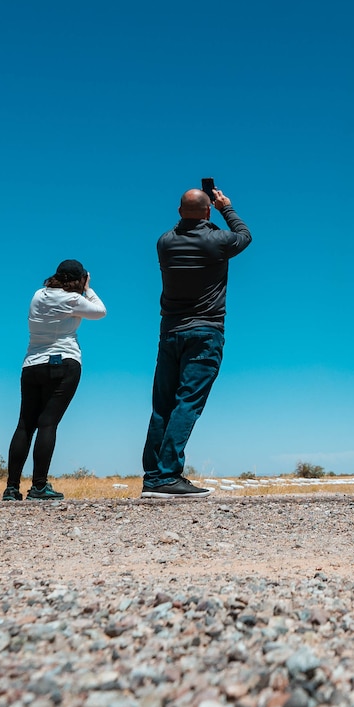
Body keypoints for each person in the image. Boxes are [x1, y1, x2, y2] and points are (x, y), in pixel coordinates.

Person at [145, 186, 252, 498]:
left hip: (170, 332)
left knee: (162, 405)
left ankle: (154, 477)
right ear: (208, 212)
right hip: (205, 332)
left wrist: (207, 213)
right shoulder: (217, 240)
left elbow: (192, 229)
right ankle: (167, 476)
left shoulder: (164, 242)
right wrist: (226, 208)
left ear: (179, 212)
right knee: (188, 402)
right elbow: (244, 235)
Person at [6, 260, 106, 502]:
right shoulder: (71, 300)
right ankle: (39, 487)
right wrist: (88, 288)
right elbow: (100, 311)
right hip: (64, 362)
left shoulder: (38, 295)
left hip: (31, 364)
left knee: (25, 425)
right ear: (79, 278)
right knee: (48, 424)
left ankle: (11, 488)